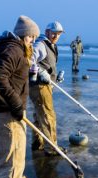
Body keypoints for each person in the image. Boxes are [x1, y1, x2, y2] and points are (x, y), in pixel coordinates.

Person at [0, 15, 39, 178]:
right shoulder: (13, 49)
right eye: (31, 37)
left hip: (12, 111)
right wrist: (17, 104)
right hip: (5, 113)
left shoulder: (17, 49)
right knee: (10, 158)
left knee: (18, 154)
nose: (33, 41)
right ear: (23, 35)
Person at [29, 21, 67, 156]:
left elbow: (46, 65)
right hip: (39, 86)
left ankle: (37, 143)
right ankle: (51, 147)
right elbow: (28, 60)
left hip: (44, 85)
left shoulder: (51, 45)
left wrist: (56, 78)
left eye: (59, 34)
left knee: (39, 115)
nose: (56, 36)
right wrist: (39, 71)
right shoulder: (41, 44)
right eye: (54, 33)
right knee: (48, 116)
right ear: (47, 32)